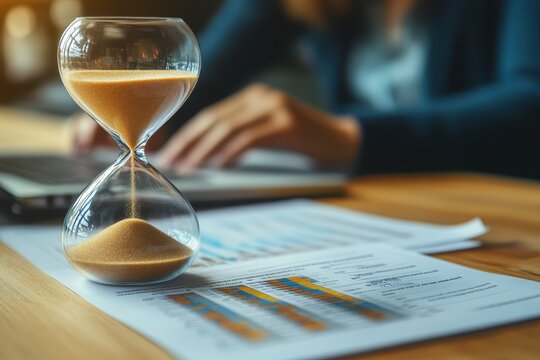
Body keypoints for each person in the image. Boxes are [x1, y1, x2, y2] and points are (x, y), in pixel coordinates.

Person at [71, 0, 540, 178]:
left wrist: (347, 134)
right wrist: (128, 109)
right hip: (375, 204)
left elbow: (530, 104)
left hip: (500, 202)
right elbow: (198, 70)